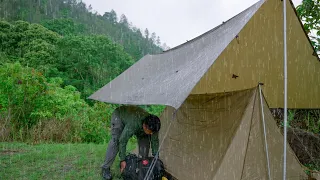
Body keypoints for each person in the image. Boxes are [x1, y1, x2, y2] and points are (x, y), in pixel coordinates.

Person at [101, 105, 161, 180]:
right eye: (151, 132)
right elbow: (123, 141)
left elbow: (154, 141)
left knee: (145, 143)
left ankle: (141, 168)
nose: (152, 134)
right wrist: (122, 160)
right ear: (145, 126)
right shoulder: (134, 123)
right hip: (119, 116)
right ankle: (105, 168)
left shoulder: (153, 125)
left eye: (153, 132)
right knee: (116, 141)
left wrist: (156, 157)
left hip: (135, 119)